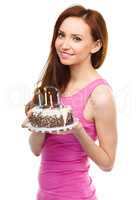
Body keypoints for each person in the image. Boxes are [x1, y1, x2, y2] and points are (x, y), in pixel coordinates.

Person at [25, 5, 117, 200]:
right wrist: (37, 124)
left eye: (76, 38)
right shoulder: (55, 85)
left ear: (96, 45)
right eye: (61, 35)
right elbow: (35, 150)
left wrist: (78, 130)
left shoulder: (100, 94)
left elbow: (107, 163)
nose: (64, 45)